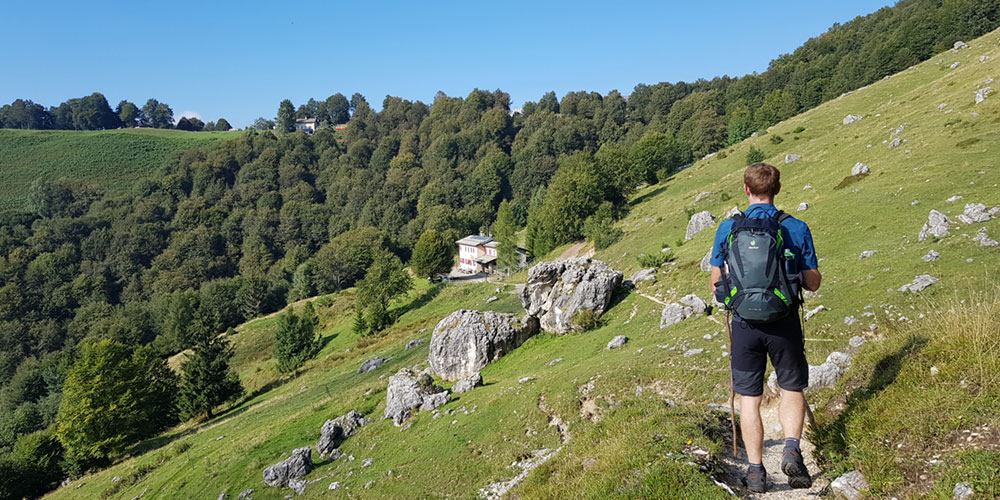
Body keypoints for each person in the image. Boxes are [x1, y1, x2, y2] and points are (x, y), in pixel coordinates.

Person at [709, 163, 821, 492]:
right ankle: (791, 451)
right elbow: (813, 283)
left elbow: (716, 280)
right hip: (784, 322)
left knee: (749, 399)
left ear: (746, 190)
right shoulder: (796, 227)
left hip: (744, 325)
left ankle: (756, 472)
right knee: (791, 388)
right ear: (778, 189)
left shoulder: (728, 228)